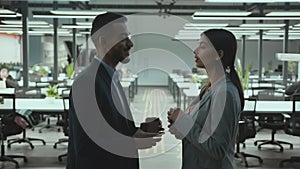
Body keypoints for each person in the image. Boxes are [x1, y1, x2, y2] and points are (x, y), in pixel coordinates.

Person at [67, 12, 162, 169]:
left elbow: (109, 131)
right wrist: (134, 143)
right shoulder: (87, 83)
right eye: (123, 38)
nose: (130, 44)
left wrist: (139, 131)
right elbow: (87, 145)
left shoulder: (111, 79)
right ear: (104, 42)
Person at [167, 29, 244, 169]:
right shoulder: (207, 89)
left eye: (202, 46)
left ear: (218, 54)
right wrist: (179, 125)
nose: (195, 51)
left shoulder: (225, 93)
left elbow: (218, 149)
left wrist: (184, 122)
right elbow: (200, 132)